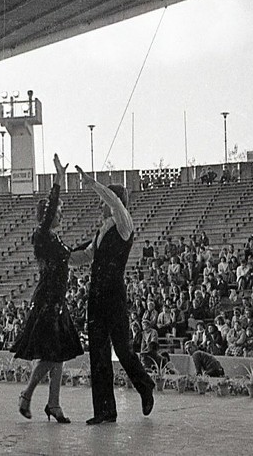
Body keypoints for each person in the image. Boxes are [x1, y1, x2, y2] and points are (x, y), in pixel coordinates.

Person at [70, 166, 154, 425]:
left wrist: (92, 183)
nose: (101, 206)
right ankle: (105, 410)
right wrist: (61, 257)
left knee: (122, 347)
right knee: (98, 352)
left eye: (103, 201)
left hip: (114, 293)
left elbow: (115, 202)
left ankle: (145, 385)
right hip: (96, 294)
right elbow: (85, 256)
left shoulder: (124, 224)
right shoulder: (101, 231)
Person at [11, 155, 83, 423]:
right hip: (47, 300)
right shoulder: (40, 236)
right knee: (52, 354)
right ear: (46, 216)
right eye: (57, 211)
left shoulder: (56, 239)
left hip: (57, 300)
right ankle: (28, 395)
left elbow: (73, 254)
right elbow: (52, 207)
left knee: (59, 354)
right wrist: (58, 181)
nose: (61, 214)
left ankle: (53, 403)